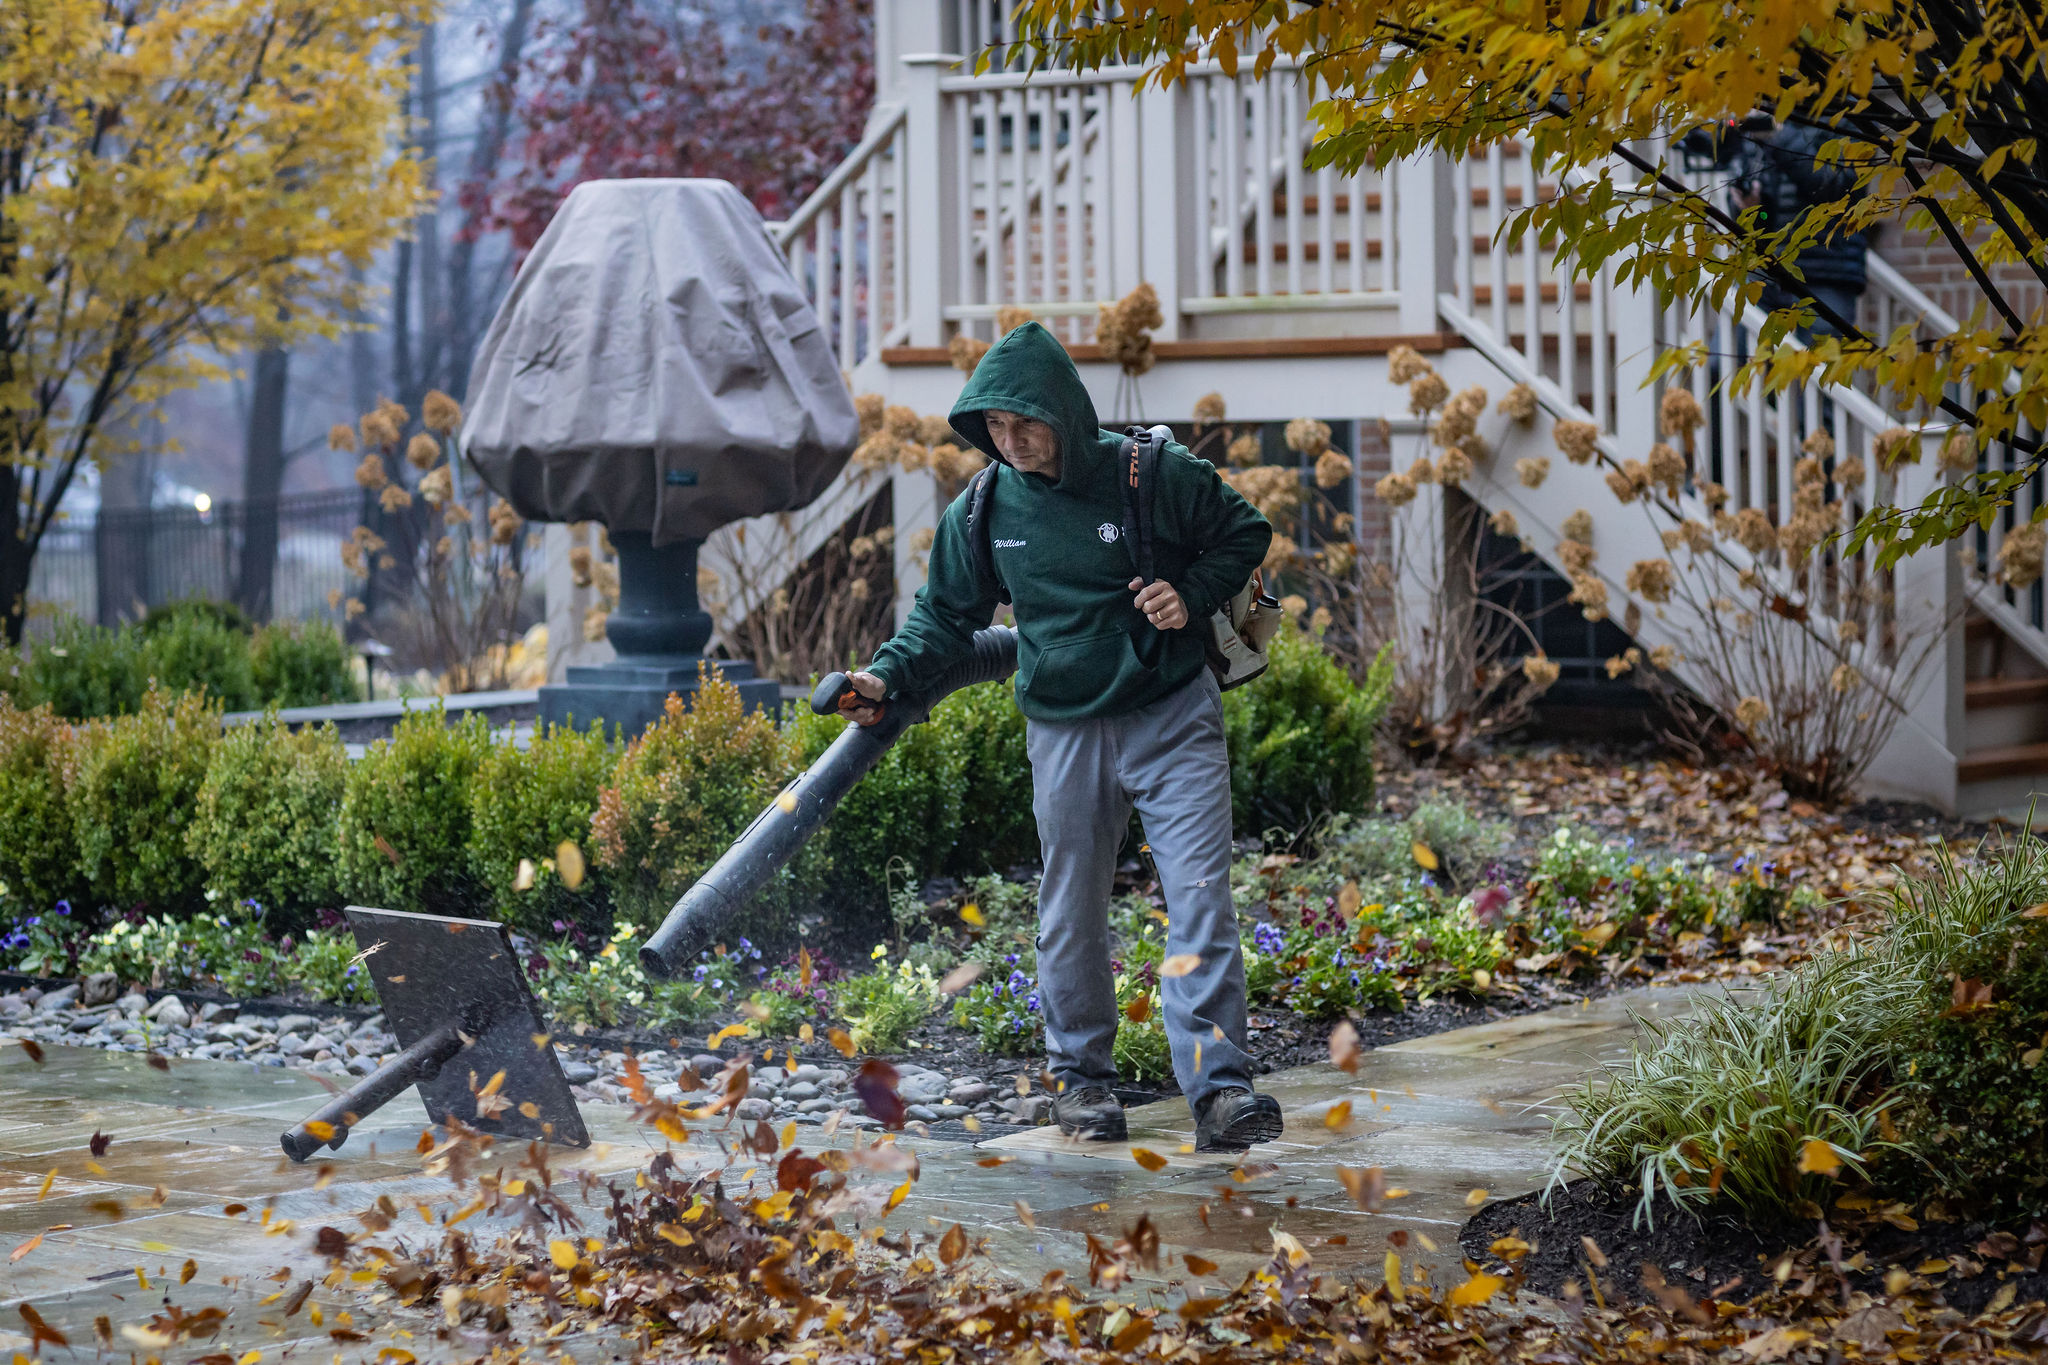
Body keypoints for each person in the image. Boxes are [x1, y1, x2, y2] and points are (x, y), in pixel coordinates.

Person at [841, 322, 1283, 1151]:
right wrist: (884, 678)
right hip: (1063, 730)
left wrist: (1187, 594)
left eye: (1026, 425)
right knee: (1072, 909)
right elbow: (944, 617)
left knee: (1198, 899)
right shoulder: (983, 509)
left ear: (1066, 413)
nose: (1011, 443)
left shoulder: (1151, 474)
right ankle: (1082, 1085)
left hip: (1170, 712)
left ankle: (1222, 1091)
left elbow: (1244, 533)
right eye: (994, 430)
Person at [1747, 120, 1869, 340]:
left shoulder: (1845, 117)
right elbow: (1760, 216)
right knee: (1726, 362)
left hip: (1825, 271)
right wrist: (1750, 206)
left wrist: (1780, 136)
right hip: (1766, 272)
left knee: (1818, 364)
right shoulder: (1761, 118)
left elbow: (1836, 186)